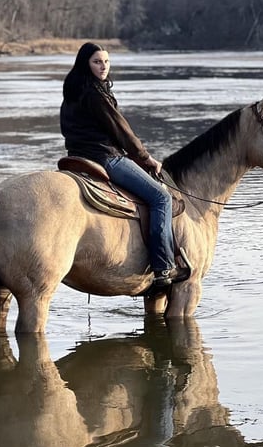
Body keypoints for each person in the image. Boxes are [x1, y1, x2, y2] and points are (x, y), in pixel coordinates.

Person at [60, 41, 189, 289]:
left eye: (106, 62)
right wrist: (145, 158)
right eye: (97, 62)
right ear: (86, 64)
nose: (103, 67)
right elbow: (122, 131)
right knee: (161, 198)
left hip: (77, 157)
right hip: (105, 157)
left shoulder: (73, 90)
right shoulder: (95, 94)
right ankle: (163, 267)